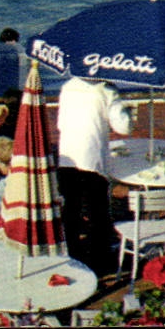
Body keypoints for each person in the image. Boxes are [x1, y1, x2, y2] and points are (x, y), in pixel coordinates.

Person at [57, 72, 132, 274]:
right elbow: (124, 127)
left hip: (66, 156)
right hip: (92, 161)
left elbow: (60, 124)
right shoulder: (107, 90)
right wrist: (126, 110)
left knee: (71, 210)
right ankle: (100, 263)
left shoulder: (67, 86)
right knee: (97, 212)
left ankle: (71, 256)